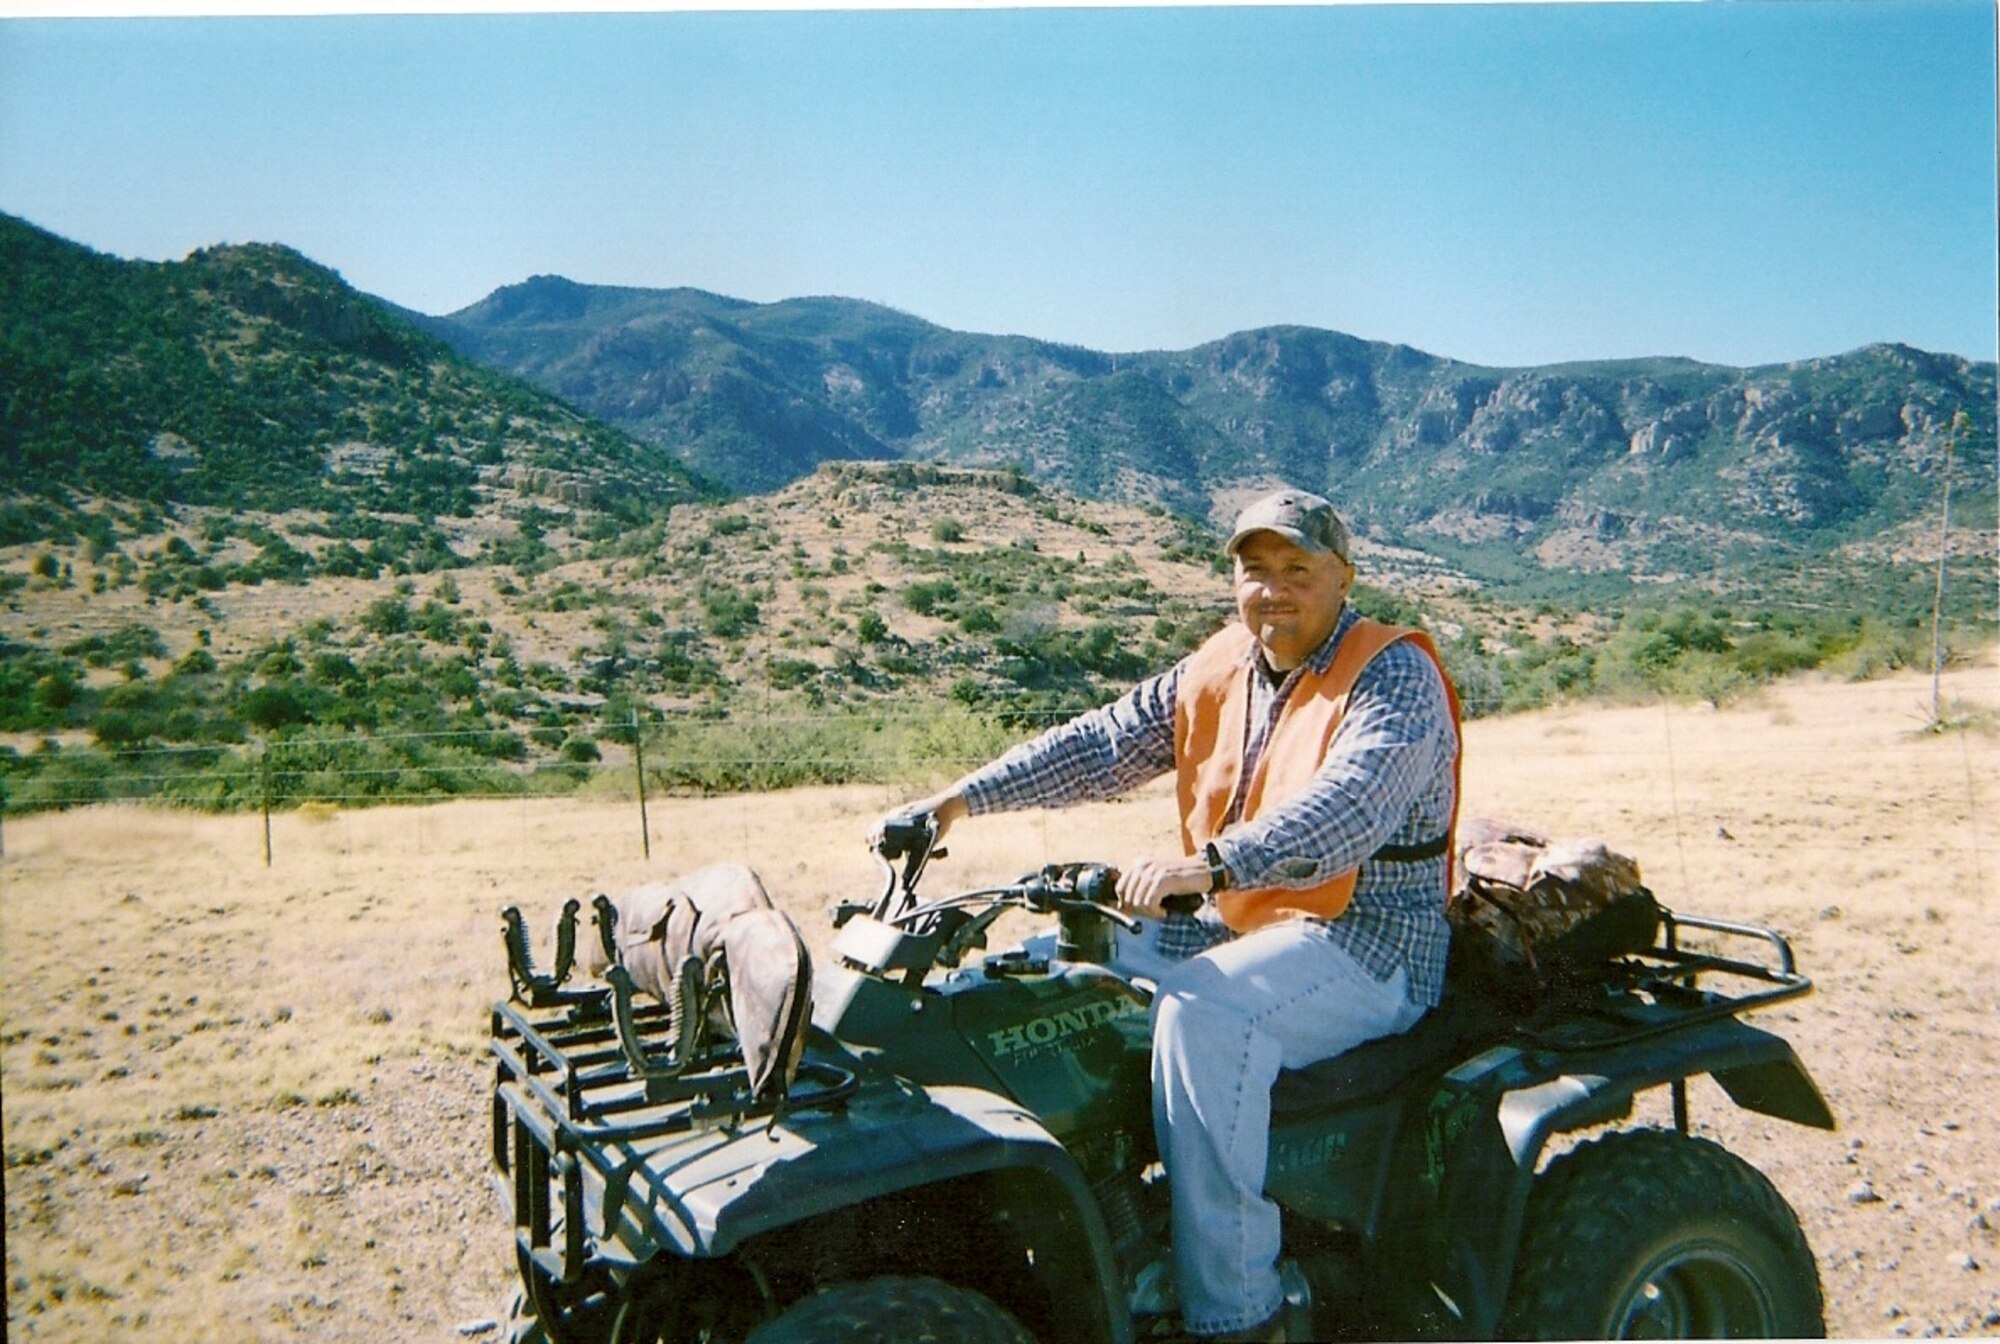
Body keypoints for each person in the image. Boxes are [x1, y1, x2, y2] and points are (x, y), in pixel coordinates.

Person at [882, 487, 1462, 1343]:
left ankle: (1239, 1308)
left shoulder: (1394, 674)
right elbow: (1101, 743)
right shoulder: (1222, 666)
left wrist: (1210, 865)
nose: (1274, 590)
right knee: (1045, 979)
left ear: (1344, 576)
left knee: (1204, 1015)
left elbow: (1353, 808)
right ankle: (1104, 1230)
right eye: (1254, 570)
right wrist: (958, 800)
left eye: (1298, 569)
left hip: (1370, 944)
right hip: (1247, 926)